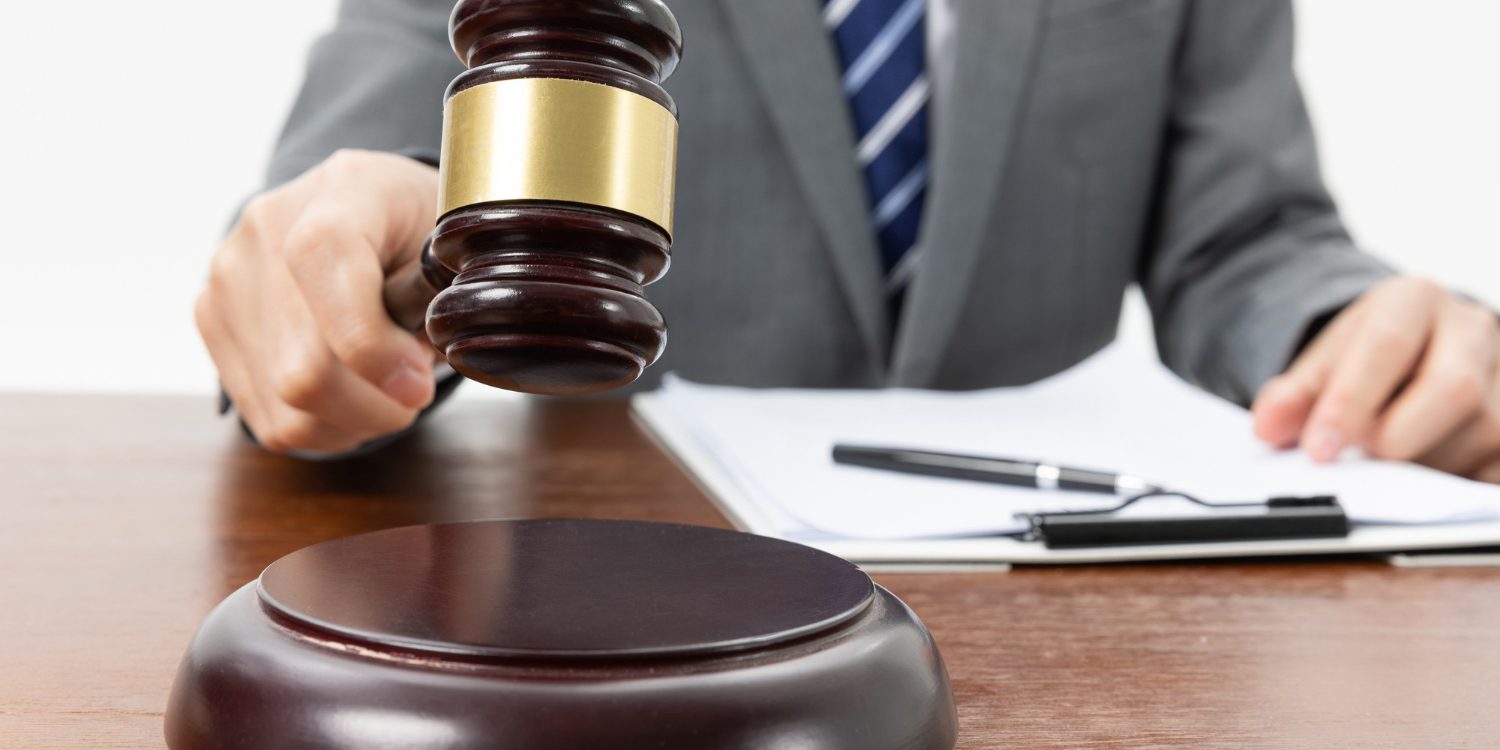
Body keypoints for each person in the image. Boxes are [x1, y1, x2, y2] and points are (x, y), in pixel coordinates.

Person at [195, 0, 1500, 483]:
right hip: (620, 591)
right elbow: (369, 166)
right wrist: (360, 267)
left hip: (1064, 622)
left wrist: (1352, 334)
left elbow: (1243, 241)